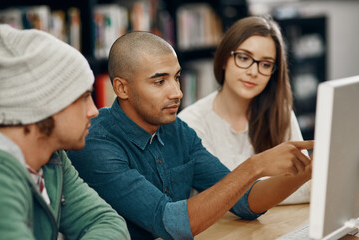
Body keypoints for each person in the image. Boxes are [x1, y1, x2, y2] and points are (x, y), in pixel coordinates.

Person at [67, 30, 313, 240]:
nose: (177, 93)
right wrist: (254, 167)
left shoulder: (175, 128)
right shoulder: (96, 142)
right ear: (122, 88)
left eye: (176, 78)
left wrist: (311, 169)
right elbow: (169, 222)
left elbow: (246, 203)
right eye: (159, 82)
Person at [0, 25, 130, 239]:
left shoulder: (52, 157)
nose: (94, 111)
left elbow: (107, 221)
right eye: (84, 97)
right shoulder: (2, 178)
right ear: (45, 104)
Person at [179, 16, 310, 205]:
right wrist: (288, 185)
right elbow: (225, 200)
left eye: (265, 64)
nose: (253, 71)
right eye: (244, 58)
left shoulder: (280, 113)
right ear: (224, 59)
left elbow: (305, 183)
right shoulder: (190, 123)